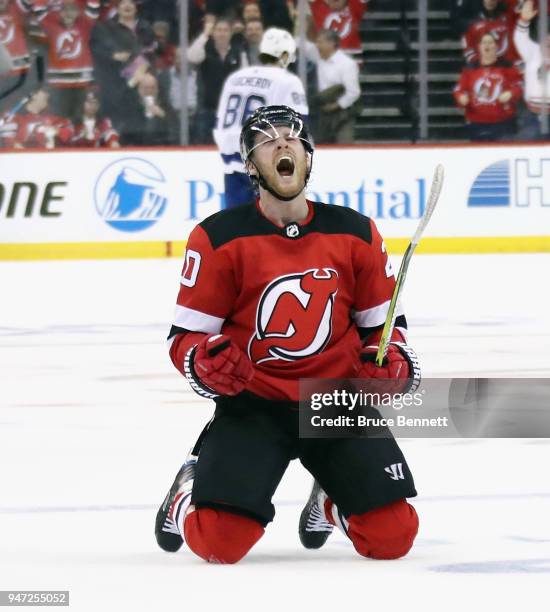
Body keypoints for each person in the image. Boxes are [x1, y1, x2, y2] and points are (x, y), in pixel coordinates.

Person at [154, 104, 420, 565]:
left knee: (393, 537)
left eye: (292, 137)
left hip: (336, 405)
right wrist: (204, 362)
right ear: (251, 164)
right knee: (220, 543)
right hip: (255, 407)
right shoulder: (218, 238)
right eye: (265, 139)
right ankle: (186, 494)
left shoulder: (355, 232)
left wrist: (391, 361)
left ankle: (332, 501)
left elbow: (384, 328)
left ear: (308, 154)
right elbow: (185, 338)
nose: (281, 143)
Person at [214, 28, 308, 208]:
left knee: (236, 229)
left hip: (231, 162)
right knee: (272, 227)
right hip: (264, 161)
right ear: (285, 54)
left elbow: (219, 120)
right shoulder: (287, 80)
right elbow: (300, 126)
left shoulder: (235, 78)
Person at [89, 0, 155, 130]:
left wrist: (141, 70)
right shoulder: (105, 28)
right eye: (123, 3)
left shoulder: (145, 27)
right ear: (117, 8)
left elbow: (151, 52)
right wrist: (114, 57)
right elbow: (98, 51)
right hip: (116, 88)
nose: (127, 6)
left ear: (136, 8)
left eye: (131, 3)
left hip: (142, 88)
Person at [34, 0, 98, 121]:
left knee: (80, 120)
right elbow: (39, 9)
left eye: (73, 9)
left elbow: (93, 5)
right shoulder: (50, 25)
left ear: (79, 12)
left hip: (82, 83)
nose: (69, 13)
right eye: (65, 9)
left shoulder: (85, 25)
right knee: (59, 120)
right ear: (59, 12)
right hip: (58, 85)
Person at [454, 31, 522, 141]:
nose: (487, 46)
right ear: (479, 47)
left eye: (490, 43)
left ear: (496, 46)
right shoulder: (470, 69)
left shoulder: (507, 66)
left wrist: (511, 93)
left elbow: (519, 85)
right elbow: (459, 89)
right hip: (477, 124)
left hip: (504, 123)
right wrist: (461, 97)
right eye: (484, 43)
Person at [187, 16, 242, 144]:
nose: (222, 33)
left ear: (231, 33)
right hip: (207, 109)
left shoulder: (238, 53)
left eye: (225, 30)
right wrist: (205, 34)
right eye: (218, 30)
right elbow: (191, 57)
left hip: (232, 111)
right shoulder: (205, 51)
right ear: (213, 33)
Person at [305, 28, 361, 143]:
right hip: (321, 112)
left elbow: (353, 92)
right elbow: (300, 43)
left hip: (342, 114)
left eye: (320, 42)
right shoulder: (317, 58)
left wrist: (336, 105)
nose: (317, 45)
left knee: (344, 147)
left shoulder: (346, 64)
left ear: (332, 43)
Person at [514, 0, 550, 139]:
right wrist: (523, 20)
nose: (548, 41)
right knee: (528, 147)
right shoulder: (532, 52)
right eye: (545, 38)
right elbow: (520, 38)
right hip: (532, 116)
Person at [2, 87, 74, 148]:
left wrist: (57, 130)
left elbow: (70, 133)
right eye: (45, 91)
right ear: (33, 95)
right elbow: (8, 141)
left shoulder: (53, 117)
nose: (48, 94)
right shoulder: (13, 117)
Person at [461, 0, 521, 66]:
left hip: (508, 67)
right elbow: (468, 52)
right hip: (482, 68)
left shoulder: (510, 19)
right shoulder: (473, 26)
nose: (490, 1)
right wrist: (485, 61)